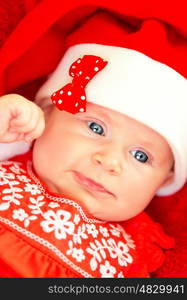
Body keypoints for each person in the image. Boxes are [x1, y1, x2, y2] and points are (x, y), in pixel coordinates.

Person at [0, 8, 186, 278]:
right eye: (96, 127)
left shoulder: (137, 250)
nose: (110, 161)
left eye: (141, 156)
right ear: (47, 114)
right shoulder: (7, 154)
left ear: (165, 181)